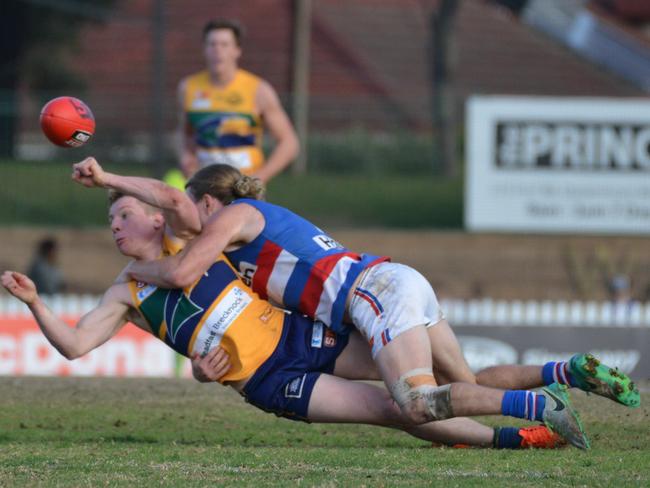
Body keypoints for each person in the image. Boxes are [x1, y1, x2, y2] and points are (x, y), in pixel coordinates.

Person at [3, 190, 569, 450]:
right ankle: (521, 438)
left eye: (123, 215)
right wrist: (36, 304)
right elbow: (76, 347)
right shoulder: (125, 292)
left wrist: (111, 182)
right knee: (393, 411)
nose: (116, 227)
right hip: (272, 380)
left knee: (422, 384)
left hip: (300, 332)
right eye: (111, 222)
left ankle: (548, 388)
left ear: (154, 219)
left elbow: (178, 200)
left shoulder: (198, 242)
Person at [116, 163, 639, 431]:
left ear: (209, 200)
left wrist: (136, 255)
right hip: (392, 282)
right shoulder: (244, 235)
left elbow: (181, 258)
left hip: (374, 295)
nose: (189, 223)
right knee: (466, 382)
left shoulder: (233, 217)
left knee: (416, 403)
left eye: (193, 208)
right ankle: (568, 372)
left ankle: (537, 407)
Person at [177, 19, 299, 184]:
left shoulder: (258, 90)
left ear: (237, 50)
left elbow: (289, 143)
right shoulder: (188, 88)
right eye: (212, 44)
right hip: (204, 186)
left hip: (243, 188)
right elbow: (186, 134)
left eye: (224, 45)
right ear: (204, 49)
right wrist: (186, 155)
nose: (217, 50)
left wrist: (260, 177)